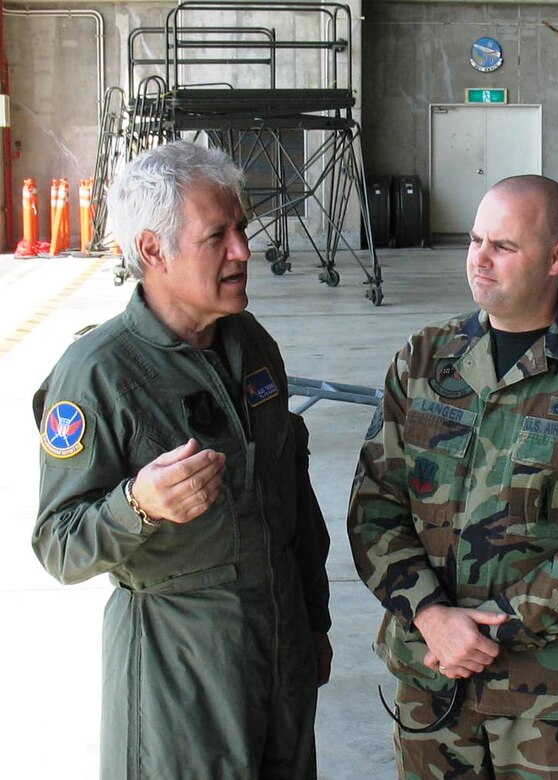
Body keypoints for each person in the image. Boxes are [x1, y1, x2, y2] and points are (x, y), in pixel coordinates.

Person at [32, 140, 332, 780]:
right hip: (180, 674)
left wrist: (314, 621)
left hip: (279, 650)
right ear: (152, 250)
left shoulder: (252, 345)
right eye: (217, 236)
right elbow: (58, 545)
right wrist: (136, 507)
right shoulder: (97, 375)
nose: (243, 252)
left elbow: (293, 496)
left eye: (242, 230)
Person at [348, 175, 558, 779]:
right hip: (433, 684)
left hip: (554, 705)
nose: (480, 260)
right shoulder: (424, 360)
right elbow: (375, 507)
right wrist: (432, 617)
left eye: (504, 246)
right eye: (474, 241)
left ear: (557, 257)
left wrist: (492, 628)